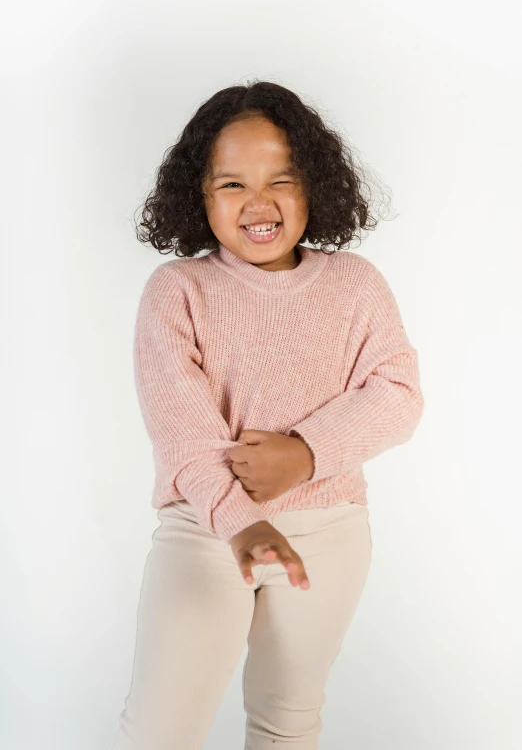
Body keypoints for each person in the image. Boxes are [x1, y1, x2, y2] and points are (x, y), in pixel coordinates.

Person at [110, 80, 424, 750]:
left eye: (281, 179)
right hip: (206, 529)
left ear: (314, 183)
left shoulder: (355, 284)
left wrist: (305, 453)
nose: (259, 203)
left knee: (288, 719)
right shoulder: (177, 292)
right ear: (198, 196)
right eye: (231, 185)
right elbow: (182, 430)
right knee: (160, 728)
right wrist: (240, 520)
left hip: (329, 531)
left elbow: (397, 392)